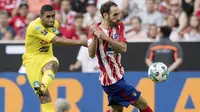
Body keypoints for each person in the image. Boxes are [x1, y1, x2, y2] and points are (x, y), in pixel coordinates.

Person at [88, 1, 153, 112]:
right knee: (143, 104)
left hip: (118, 76)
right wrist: (95, 37)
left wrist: (105, 38)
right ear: (105, 15)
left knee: (117, 110)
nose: (118, 17)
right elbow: (91, 54)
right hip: (111, 81)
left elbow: (123, 48)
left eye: (119, 14)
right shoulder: (95, 30)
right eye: (115, 15)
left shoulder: (119, 26)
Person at [22, 5, 86, 112]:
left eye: (53, 16)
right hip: (31, 60)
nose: (51, 19)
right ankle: (42, 89)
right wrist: (80, 42)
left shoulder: (54, 24)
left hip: (47, 57)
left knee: (53, 64)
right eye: (48, 17)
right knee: (44, 97)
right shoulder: (34, 27)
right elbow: (56, 40)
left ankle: (43, 86)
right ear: (41, 16)